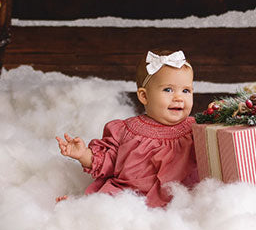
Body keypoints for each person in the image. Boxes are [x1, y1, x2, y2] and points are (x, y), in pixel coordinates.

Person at [56, 50, 198, 207]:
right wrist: (83, 154)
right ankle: (80, 207)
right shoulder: (126, 131)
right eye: (168, 90)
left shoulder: (196, 129)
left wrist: (217, 113)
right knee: (107, 203)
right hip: (130, 194)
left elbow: (213, 147)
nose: (179, 97)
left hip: (177, 196)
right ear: (144, 96)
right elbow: (109, 160)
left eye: (186, 90)